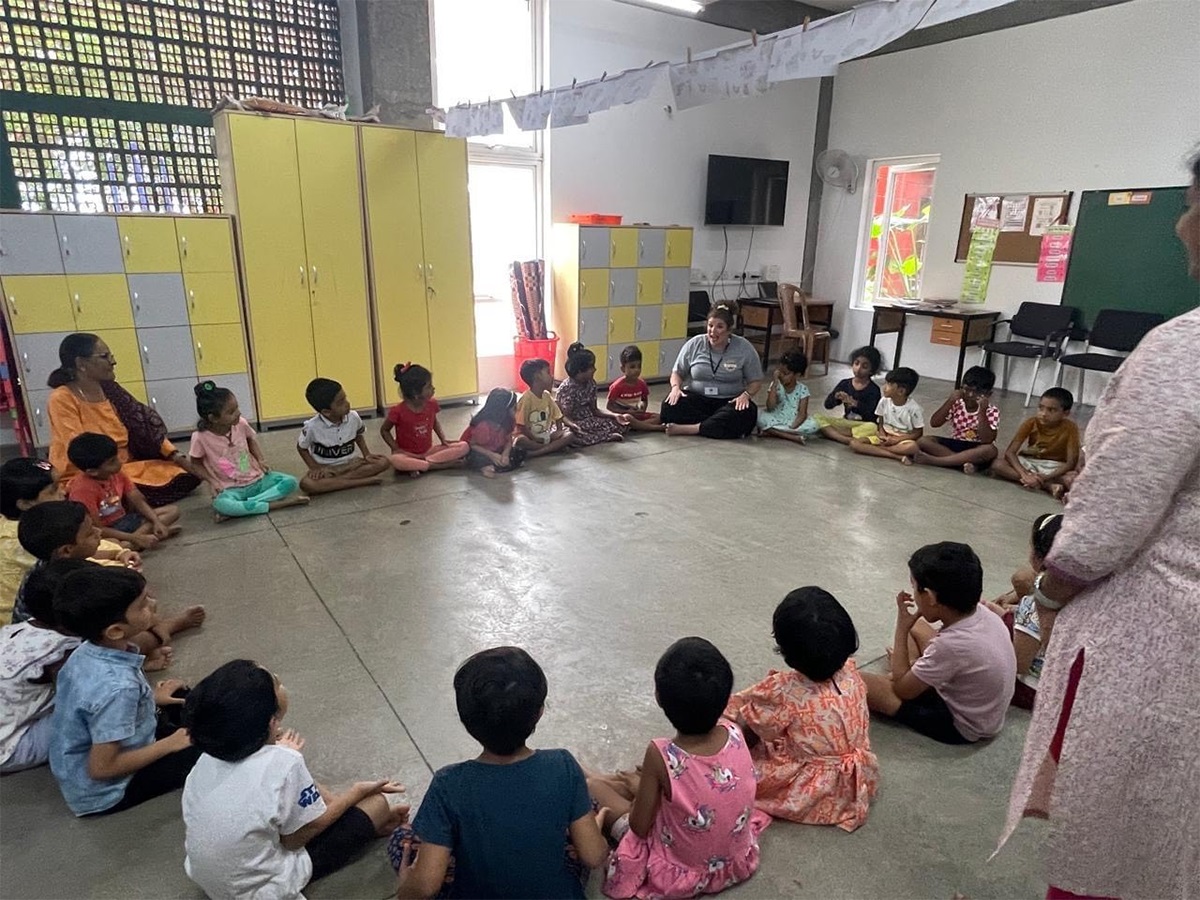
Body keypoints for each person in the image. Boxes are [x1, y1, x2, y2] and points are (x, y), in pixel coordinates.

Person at [1000, 154, 1200, 900]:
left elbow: (1109, 520)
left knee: (1122, 845)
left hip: (1164, 641)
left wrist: (1047, 595)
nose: (1180, 224)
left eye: (1188, 205)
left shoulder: (1184, 350)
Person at [391, 647, 609, 899]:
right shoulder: (563, 765)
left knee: (402, 838)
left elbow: (426, 887)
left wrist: (407, 886)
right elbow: (593, 856)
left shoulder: (447, 785)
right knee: (583, 806)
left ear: (465, 721)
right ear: (539, 713)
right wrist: (597, 831)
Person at [182, 659, 408, 899]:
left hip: (210, 879)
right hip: (261, 888)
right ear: (272, 722)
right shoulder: (284, 763)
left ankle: (369, 822)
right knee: (377, 804)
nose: (279, 681)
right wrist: (356, 793)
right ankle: (372, 822)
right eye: (276, 683)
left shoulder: (206, 760)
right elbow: (294, 839)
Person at [588, 637, 771, 899]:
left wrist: (641, 791)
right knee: (638, 781)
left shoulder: (662, 753)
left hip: (680, 867)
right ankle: (607, 778)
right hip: (735, 861)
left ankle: (592, 776)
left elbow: (640, 827)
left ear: (658, 698)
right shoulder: (734, 731)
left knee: (595, 788)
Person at [48, 565, 202, 816]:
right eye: (142, 604)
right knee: (214, 746)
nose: (152, 604)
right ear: (116, 630)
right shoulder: (117, 688)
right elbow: (102, 768)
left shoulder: (86, 652)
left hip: (109, 751)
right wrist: (170, 745)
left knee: (190, 701)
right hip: (110, 789)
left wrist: (152, 699)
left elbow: (94, 709)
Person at [723, 588, 878, 832]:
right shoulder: (851, 675)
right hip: (855, 780)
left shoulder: (786, 691)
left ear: (786, 651)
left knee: (743, 722)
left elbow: (755, 729)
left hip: (812, 791)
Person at [861, 542, 1015, 745]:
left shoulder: (951, 645)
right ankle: (915, 672)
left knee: (861, 681)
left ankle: (912, 674)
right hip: (984, 711)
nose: (914, 594)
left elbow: (901, 691)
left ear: (931, 597)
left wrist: (902, 628)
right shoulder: (983, 612)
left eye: (915, 588)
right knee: (918, 627)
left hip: (961, 725)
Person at [14, 501, 204, 659]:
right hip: (66, 649)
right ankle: (165, 630)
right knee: (131, 631)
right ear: (66, 550)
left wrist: (123, 553)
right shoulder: (65, 584)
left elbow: (100, 553)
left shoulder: (56, 563)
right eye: (90, 532)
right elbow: (99, 628)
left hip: (73, 630)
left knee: (139, 605)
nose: (98, 531)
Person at [46, 332, 200, 505]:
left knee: (182, 475)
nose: (113, 361)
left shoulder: (110, 390)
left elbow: (144, 428)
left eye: (111, 356)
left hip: (123, 466)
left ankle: (122, 499)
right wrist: (114, 474)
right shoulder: (61, 398)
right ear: (81, 364)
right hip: (88, 471)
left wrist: (176, 456)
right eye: (104, 356)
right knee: (102, 490)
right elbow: (80, 449)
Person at [0, 559, 89, 774]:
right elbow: (90, 694)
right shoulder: (61, 652)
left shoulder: (20, 628)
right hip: (11, 746)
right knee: (97, 714)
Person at [190, 381, 308, 520]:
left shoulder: (241, 424)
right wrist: (213, 482)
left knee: (290, 482)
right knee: (221, 504)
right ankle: (277, 504)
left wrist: (260, 460)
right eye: (231, 412)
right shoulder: (200, 437)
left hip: (257, 480)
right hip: (230, 488)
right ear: (213, 418)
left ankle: (246, 506)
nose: (238, 413)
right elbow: (195, 463)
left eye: (237, 408)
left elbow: (250, 440)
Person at [660, 303, 763, 439]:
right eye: (710, 326)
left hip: (729, 402)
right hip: (698, 399)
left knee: (748, 412)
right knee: (669, 406)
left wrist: (746, 395)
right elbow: (677, 373)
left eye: (719, 327)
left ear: (729, 330)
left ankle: (693, 428)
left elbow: (755, 381)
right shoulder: (694, 344)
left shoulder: (744, 348)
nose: (713, 331)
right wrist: (675, 388)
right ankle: (714, 425)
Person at [66, 432, 181, 549]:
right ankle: (137, 540)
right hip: (107, 532)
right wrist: (131, 537)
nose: (119, 463)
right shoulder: (82, 490)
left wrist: (156, 522)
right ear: (92, 471)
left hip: (126, 520)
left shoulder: (116, 473)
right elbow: (96, 528)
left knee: (172, 511)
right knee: (106, 544)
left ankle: (140, 539)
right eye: (112, 462)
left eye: (116, 457)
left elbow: (138, 499)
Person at [1002, 513, 1063, 711]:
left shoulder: (1035, 603)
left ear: (1037, 555)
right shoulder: (1082, 594)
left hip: (1034, 690)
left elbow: (1018, 666)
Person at [296, 378, 390, 495]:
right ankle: (360, 482)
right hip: (327, 469)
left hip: (352, 464)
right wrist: (314, 467)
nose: (347, 404)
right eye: (341, 402)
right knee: (306, 484)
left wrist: (367, 454)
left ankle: (336, 483)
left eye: (345, 398)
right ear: (326, 412)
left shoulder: (353, 417)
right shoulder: (311, 427)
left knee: (384, 462)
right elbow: (301, 447)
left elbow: (358, 434)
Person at [380, 363, 469, 476]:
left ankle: (420, 465)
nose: (433, 388)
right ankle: (439, 465)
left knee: (464, 446)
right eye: (428, 386)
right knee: (396, 460)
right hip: (407, 454)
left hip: (428, 452)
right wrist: (396, 448)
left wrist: (443, 440)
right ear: (415, 393)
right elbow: (384, 430)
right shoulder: (397, 411)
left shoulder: (432, 404)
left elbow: (434, 422)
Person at [991, 388, 1080, 499]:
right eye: (1041, 408)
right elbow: (1010, 452)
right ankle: (1047, 486)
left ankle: (1039, 482)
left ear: (1065, 413)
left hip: (1054, 466)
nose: (1043, 414)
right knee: (997, 465)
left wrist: (1046, 476)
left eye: (1051, 410)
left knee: (1072, 479)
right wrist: (1024, 474)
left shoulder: (1070, 428)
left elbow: (1071, 463)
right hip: (1030, 462)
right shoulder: (1031, 422)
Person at [913, 365, 1001, 473]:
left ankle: (935, 461)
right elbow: (934, 423)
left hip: (976, 447)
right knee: (924, 441)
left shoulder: (991, 410)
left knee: (990, 450)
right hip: (956, 442)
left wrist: (982, 411)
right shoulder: (957, 404)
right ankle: (963, 464)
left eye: (976, 392)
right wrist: (950, 401)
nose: (970, 395)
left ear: (988, 394)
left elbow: (987, 440)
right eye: (966, 389)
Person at [555, 343, 633, 447]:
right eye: (591, 367)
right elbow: (565, 417)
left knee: (619, 422)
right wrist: (573, 425)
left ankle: (595, 437)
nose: (595, 370)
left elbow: (595, 410)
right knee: (573, 434)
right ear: (580, 370)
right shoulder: (568, 389)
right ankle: (603, 437)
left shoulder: (591, 383)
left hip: (590, 420)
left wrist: (615, 415)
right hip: (573, 423)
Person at [848, 367, 924, 463]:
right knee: (854, 443)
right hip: (884, 437)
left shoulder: (914, 409)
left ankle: (875, 450)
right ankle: (896, 456)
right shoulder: (884, 401)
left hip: (901, 440)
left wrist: (896, 440)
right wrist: (882, 434)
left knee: (912, 447)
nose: (884, 387)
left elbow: (918, 433)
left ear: (901, 391)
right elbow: (880, 421)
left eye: (889, 384)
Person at [814, 345, 883, 444]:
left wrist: (855, 403)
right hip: (846, 422)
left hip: (863, 424)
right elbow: (827, 405)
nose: (858, 369)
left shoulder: (874, 389)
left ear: (872, 370)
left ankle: (833, 434)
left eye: (864, 366)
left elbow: (873, 415)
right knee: (817, 417)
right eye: (856, 363)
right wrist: (836, 398)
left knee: (872, 427)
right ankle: (846, 438)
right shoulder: (844, 384)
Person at [515, 359, 575, 457]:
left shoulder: (546, 396)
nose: (551, 376)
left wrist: (558, 430)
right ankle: (552, 448)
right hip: (529, 437)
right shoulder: (526, 399)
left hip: (545, 434)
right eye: (548, 372)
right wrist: (533, 438)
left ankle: (537, 452)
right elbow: (521, 425)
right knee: (520, 440)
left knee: (569, 435)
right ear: (537, 376)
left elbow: (558, 415)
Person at [756, 349, 819, 444]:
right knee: (759, 417)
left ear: (797, 374)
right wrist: (774, 384)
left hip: (793, 420)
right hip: (776, 417)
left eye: (786, 374)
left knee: (814, 425)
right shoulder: (776, 385)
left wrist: (793, 427)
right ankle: (792, 437)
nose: (781, 376)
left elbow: (802, 414)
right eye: (780, 372)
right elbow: (770, 406)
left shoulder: (803, 389)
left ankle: (773, 432)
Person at [460, 388, 525, 478]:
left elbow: (509, 441)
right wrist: (492, 456)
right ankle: (486, 467)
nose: (516, 411)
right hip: (482, 451)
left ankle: (496, 466)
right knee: (474, 457)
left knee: (520, 452)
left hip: (497, 449)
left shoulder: (509, 422)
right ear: (502, 411)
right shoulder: (484, 427)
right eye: (514, 408)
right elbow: (473, 446)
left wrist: (505, 454)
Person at [607, 345, 662, 427]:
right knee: (627, 418)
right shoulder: (617, 386)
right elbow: (609, 407)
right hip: (624, 416)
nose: (636, 370)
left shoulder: (642, 383)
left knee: (659, 417)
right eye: (632, 367)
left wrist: (642, 408)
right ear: (623, 368)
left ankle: (637, 426)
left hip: (636, 415)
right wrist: (627, 412)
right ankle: (652, 427)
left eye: (639, 366)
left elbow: (644, 400)